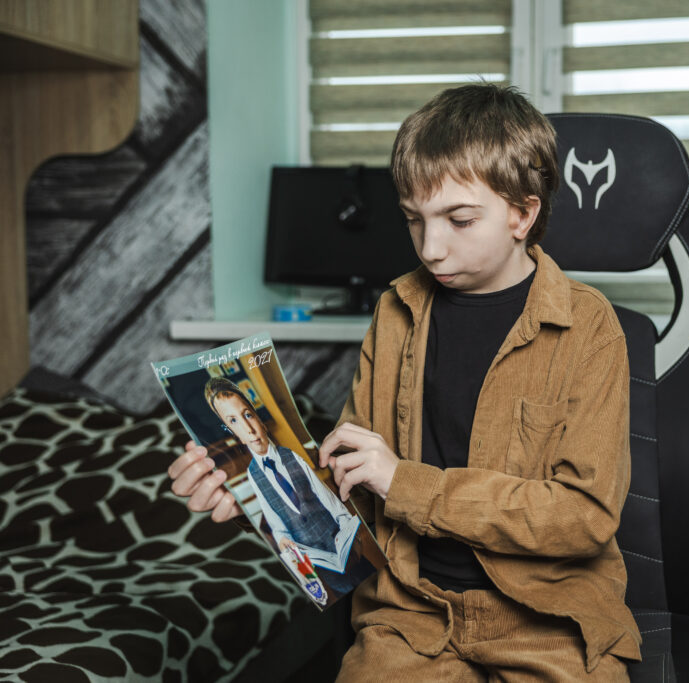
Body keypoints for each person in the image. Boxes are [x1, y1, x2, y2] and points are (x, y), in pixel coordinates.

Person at [169, 83, 640, 681]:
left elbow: (584, 516)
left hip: (548, 618)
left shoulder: (590, 326)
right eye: (414, 220)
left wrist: (407, 483)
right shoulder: (396, 310)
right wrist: (245, 496)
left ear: (522, 214)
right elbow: (352, 494)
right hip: (410, 615)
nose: (431, 248)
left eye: (459, 220)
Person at [202, 376, 362, 597]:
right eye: (234, 421)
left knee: (367, 576)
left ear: (258, 417)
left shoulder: (291, 455)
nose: (249, 428)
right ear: (231, 431)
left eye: (248, 415)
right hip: (316, 558)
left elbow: (324, 495)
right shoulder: (253, 476)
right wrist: (282, 540)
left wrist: (345, 523)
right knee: (346, 594)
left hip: (339, 539)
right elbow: (275, 522)